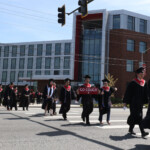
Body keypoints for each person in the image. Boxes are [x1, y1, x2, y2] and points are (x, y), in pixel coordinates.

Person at [123, 67, 149, 138]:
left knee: (136, 116)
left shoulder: (144, 83)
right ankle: (142, 132)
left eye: (142, 74)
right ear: (137, 74)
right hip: (133, 103)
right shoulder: (133, 82)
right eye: (140, 74)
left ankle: (130, 129)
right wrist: (125, 102)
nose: (142, 75)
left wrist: (146, 101)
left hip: (140, 103)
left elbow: (146, 93)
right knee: (139, 116)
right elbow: (128, 93)